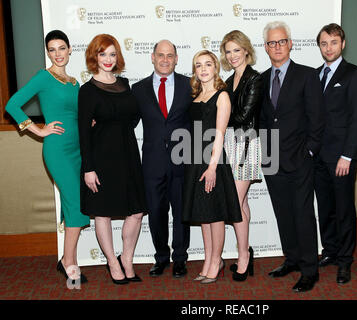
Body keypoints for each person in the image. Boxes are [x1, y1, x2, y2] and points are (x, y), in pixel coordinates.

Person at [5, 30, 90, 284]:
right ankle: (69, 261)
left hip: (78, 149)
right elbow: (12, 105)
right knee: (76, 203)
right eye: (52, 49)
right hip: (57, 150)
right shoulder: (44, 77)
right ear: (48, 52)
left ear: (70, 49)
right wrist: (39, 130)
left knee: (74, 201)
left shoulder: (75, 83)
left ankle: (66, 258)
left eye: (61, 48)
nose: (57, 54)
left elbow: (78, 115)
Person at [260, 21, 325, 292]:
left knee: (302, 214)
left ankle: (310, 269)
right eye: (272, 43)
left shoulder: (307, 75)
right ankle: (292, 259)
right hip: (271, 160)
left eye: (281, 41)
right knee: (283, 213)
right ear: (265, 47)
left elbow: (317, 118)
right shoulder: (260, 79)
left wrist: (309, 150)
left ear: (290, 43)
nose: (277, 46)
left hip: (300, 159)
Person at [78, 34, 147, 285]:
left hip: (128, 154)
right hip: (101, 157)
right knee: (103, 214)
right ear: (94, 57)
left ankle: (126, 258)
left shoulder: (125, 84)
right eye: (102, 54)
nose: (108, 59)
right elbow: (84, 133)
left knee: (137, 211)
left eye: (112, 54)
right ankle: (112, 261)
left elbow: (133, 117)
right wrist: (88, 168)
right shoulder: (87, 91)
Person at [132, 40, 191, 278]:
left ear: (176, 58)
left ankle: (180, 259)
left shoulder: (190, 85)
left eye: (170, 55)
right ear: (152, 57)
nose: (165, 60)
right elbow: (127, 121)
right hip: (153, 161)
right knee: (156, 212)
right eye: (161, 55)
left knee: (181, 212)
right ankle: (161, 258)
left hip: (182, 159)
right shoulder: (138, 89)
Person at [182, 50, 242, 284]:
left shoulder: (222, 96)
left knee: (215, 215)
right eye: (199, 65)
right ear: (195, 71)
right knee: (204, 216)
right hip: (194, 160)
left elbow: (220, 134)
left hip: (212, 160)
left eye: (208, 64)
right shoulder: (195, 96)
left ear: (216, 68)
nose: (203, 69)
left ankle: (216, 261)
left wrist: (212, 167)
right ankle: (208, 261)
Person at [314, 23, 357, 284]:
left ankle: (345, 260)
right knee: (325, 208)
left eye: (333, 42)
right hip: (318, 157)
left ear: (343, 44)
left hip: (341, 158)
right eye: (324, 43)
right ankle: (331, 251)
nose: (329, 48)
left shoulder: (355, 75)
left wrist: (348, 155)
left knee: (344, 209)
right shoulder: (315, 75)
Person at [219, 30, 263, 281]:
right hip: (229, 144)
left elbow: (244, 116)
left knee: (235, 202)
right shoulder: (227, 80)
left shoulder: (254, 78)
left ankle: (243, 255)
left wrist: (219, 120)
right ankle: (244, 253)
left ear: (246, 50)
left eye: (237, 50)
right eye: (228, 51)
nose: (233, 55)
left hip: (247, 145)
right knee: (242, 203)